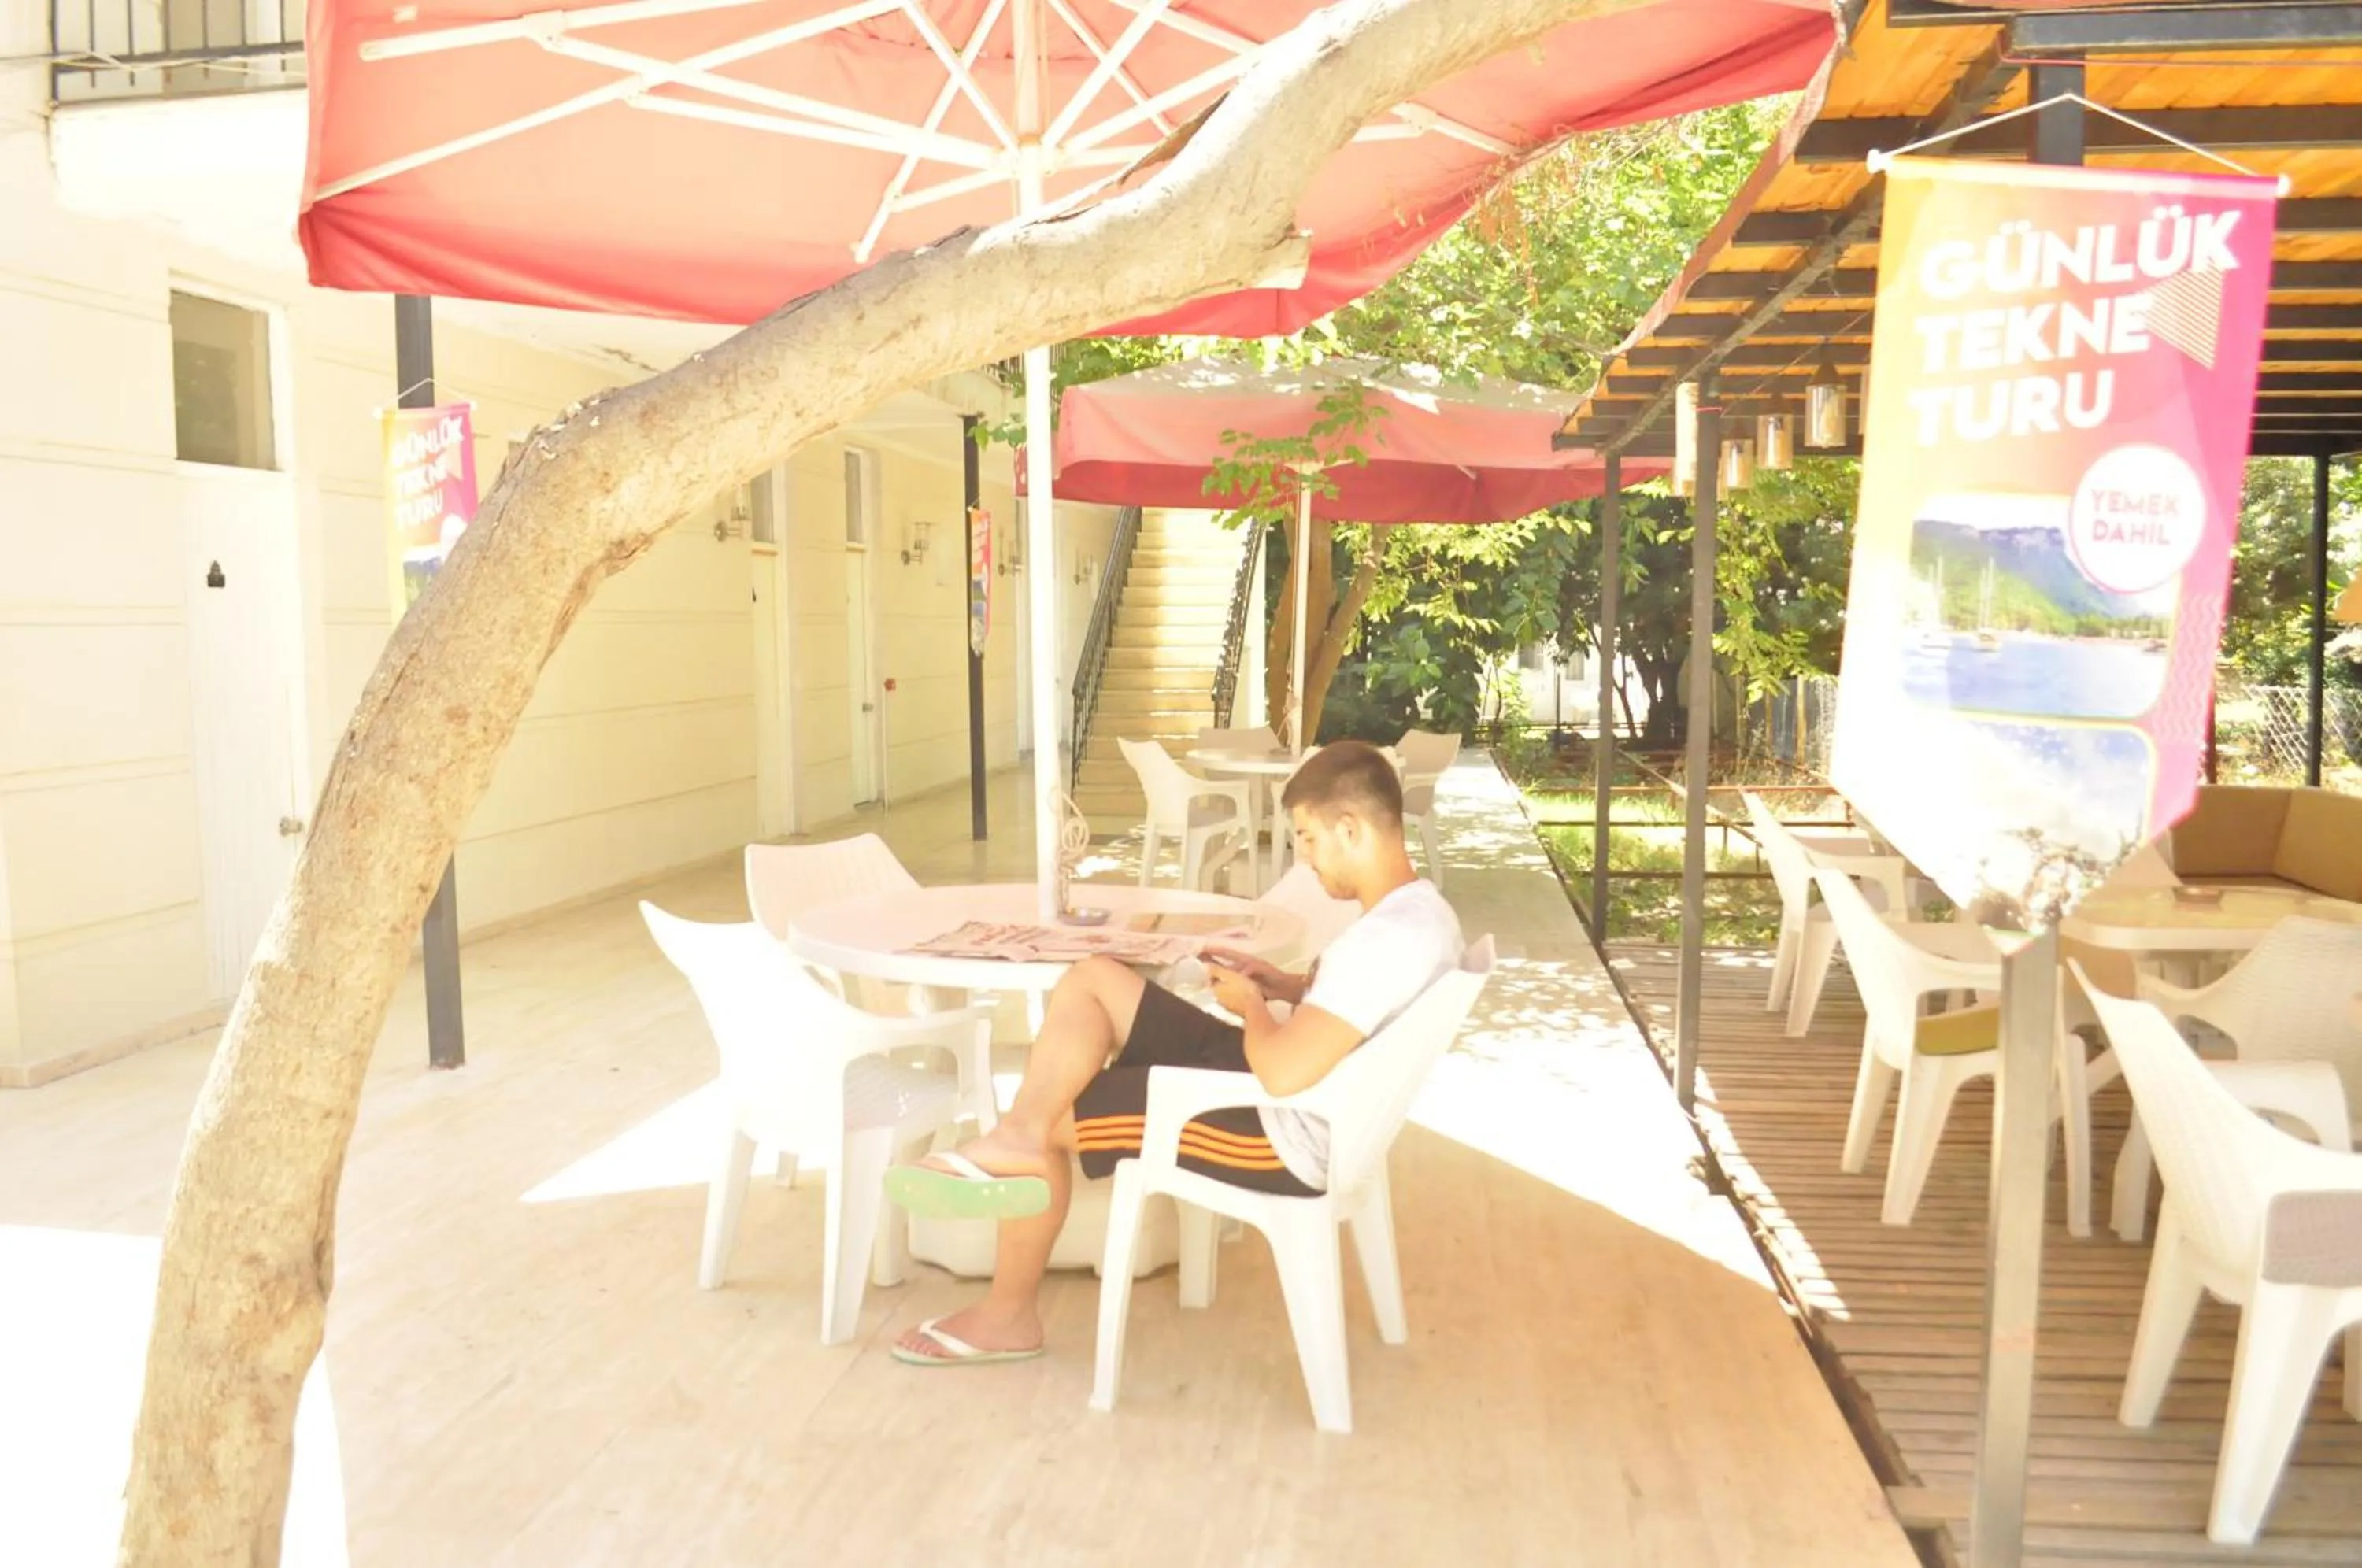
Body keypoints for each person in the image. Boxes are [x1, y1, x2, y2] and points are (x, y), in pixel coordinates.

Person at [883, 738, 1463, 1366]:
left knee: (1055, 1111)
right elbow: (1349, 1020)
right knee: (1097, 975)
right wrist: (1283, 986)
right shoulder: (1420, 916)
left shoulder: (1383, 944)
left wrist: (1250, 1008)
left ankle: (1008, 1313)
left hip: (1277, 1130)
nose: (1308, 861)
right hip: (1294, 1087)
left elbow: (1282, 1070)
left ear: (1350, 828)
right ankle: (1016, 1137)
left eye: (1310, 840)